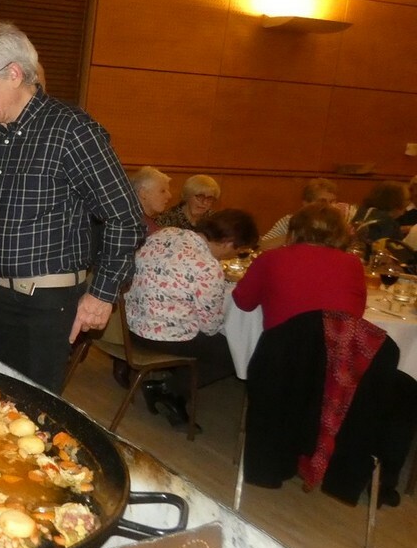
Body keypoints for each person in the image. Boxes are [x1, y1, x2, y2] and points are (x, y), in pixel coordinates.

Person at [0, 22, 145, 393]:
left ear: (13, 74)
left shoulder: (71, 130)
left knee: (31, 412)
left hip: (45, 307)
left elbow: (125, 218)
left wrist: (101, 294)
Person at [125, 209, 258, 428]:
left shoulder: (166, 233)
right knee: (233, 352)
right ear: (228, 243)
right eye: (236, 251)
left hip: (128, 325)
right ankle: (169, 390)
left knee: (208, 340)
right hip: (156, 336)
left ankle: (171, 384)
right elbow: (210, 326)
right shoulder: (208, 267)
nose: (232, 256)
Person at [233, 203, 366, 330]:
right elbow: (357, 312)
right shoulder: (352, 263)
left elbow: (244, 302)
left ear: (293, 231)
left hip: (282, 343)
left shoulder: (270, 258)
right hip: (336, 344)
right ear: (340, 234)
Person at [259, 178, 338, 250]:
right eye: (322, 201)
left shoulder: (340, 223)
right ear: (306, 203)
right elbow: (262, 246)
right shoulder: (290, 220)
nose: (329, 206)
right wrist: (295, 236)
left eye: (332, 201)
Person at [128, 166, 172, 235]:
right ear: (143, 193)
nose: (169, 196)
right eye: (162, 191)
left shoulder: (154, 221)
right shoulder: (134, 226)